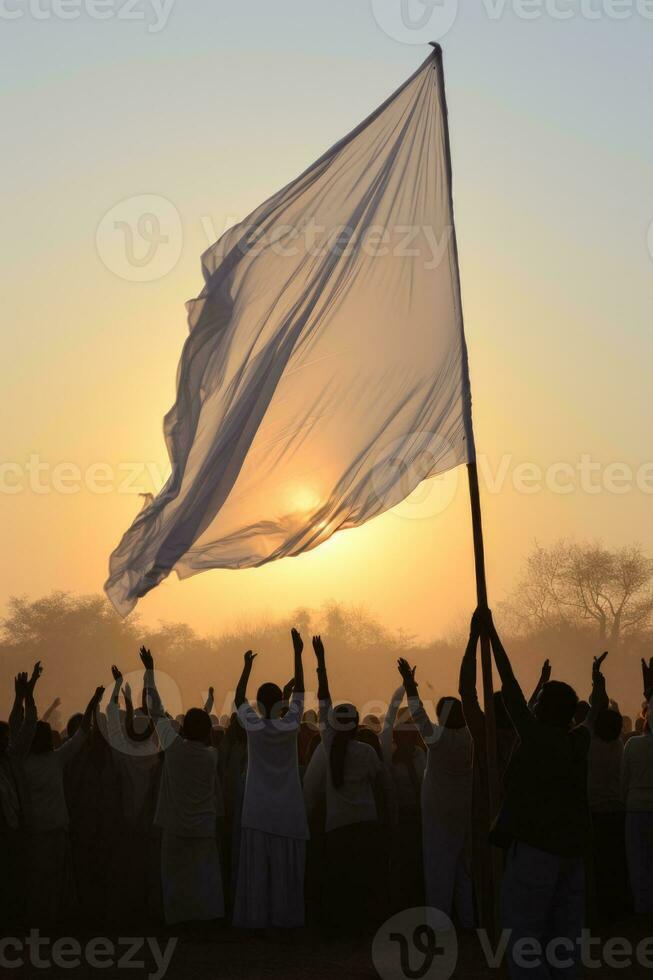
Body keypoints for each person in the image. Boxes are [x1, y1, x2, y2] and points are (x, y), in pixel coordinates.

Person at [485, 607, 608, 980]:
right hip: (573, 852)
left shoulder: (536, 738)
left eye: (537, 704)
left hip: (537, 850)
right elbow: (597, 708)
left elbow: (509, 687)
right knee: (566, 938)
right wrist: (597, 682)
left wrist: (491, 634)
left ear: (542, 711)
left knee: (525, 935)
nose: (532, 706)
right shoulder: (578, 741)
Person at [307, 635, 386, 935]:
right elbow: (380, 786)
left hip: (338, 824)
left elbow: (323, 698)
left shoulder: (328, 745)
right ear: (356, 725)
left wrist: (321, 661)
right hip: (365, 822)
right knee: (363, 879)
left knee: (338, 879)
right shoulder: (366, 752)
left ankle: (339, 928)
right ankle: (363, 927)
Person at [232, 629, 309, 930]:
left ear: (259, 703)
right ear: (281, 701)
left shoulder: (252, 725)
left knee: (259, 870)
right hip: (288, 806)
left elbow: (239, 698)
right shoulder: (290, 724)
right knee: (285, 871)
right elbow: (301, 692)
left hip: (257, 807)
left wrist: (247, 667)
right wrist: (298, 654)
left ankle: (257, 920)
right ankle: (285, 920)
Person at [142, 647, 225, 926]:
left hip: (175, 826)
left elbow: (155, 709)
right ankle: (205, 921)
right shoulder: (211, 756)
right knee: (204, 878)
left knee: (176, 879)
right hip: (202, 826)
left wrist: (150, 671)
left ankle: (180, 922)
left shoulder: (174, 748)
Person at [398, 656, 473, 930]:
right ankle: (468, 920)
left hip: (437, 809)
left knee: (438, 867)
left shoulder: (437, 738)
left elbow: (417, 713)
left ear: (441, 716)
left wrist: (410, 685)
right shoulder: (472, 739)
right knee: (464, 868)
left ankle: (440, 924)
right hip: (464, 806)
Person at [21, 683, 105, 926]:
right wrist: (94, 699)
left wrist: (25, 696)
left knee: (37, 878)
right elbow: (82, 732)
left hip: (34, 830)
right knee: (56, 879)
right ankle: (53, 920)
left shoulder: (22, 765)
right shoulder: (56, 760)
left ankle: (37, 921)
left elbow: (24, 726)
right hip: (56, 828)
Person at [105, 666, 163, 925]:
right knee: (150, 869)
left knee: (128, 868)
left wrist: (118, 688)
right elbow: (155, 716)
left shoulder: (123, 754)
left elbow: (113, 719)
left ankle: (129, 913)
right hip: (152, 821)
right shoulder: (155, 753)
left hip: (127, 819)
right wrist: (148, 674)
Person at [0, 666, 40, 928]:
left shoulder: (12, 760)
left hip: (11, 826)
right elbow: (24, 727)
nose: (7, 741)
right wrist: (25, 695)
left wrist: (24, 696)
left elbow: (24, 727)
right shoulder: (12, 759)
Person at [380, 684, 425, 911]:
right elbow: (387, 723)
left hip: (422, 819)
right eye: (404, 729)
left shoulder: (422, 757)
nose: (410, 733)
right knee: (400, 866)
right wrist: (402, 690)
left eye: (413, 728)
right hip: (399, 820)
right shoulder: (389, 756)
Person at [621, 658, 653, 916]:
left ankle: (642, 908)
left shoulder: (632, 745)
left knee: (639, 862)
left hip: (635, 807)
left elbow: (624, 778)